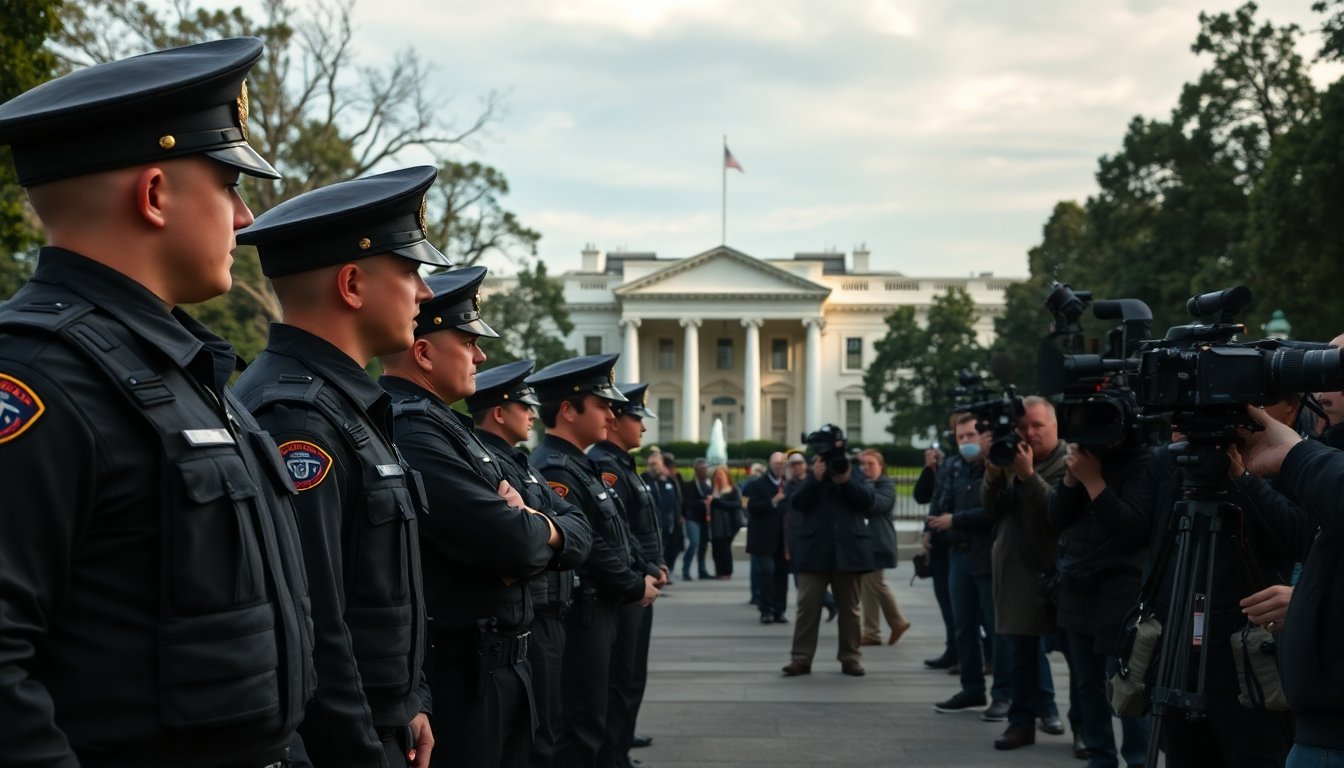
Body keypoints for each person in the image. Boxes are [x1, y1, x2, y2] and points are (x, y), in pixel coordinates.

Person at [0, 37, 316, 768]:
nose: (243, 218)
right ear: (154, 194)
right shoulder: (37, 376)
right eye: (228, 184)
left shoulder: (182, 371)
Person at [234, 166, 452, 767]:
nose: (425, 294)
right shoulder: (298, 418)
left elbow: (379, 590)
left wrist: (410, 698)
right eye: (410, 272)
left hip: (383, 720)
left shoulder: (344, 405)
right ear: (352, 283)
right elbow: (318, 630)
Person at [379, 269, 582, 767]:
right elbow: (515, 544)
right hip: (463, 674)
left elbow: (570, 535)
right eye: (468, 341)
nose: (482, 355)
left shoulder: (451, 429)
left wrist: (543, 530)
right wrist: (537, 535)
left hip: (502, 662)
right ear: (424, 353)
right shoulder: (415, 430)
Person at [526, 355, 659, 768]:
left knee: (599, 713)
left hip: (603, 604)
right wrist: (634, 582)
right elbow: (592, 546)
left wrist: (642, 571)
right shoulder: (555, 468)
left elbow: (615, 532)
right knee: (581, 726)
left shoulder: (580, 464)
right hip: (584, 608)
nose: (611, 414)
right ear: (568, 410)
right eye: (602, 405)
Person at [463, 360, 593, 768]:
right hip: (528, 615)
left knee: (547, 728)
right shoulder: (490, 462)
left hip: (546, 611)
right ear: (500, 413)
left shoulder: (521, 464)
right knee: (536, 740)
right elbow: (518, 545)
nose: (534, 413)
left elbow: (582, 530)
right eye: (525, 405)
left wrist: (536, 522)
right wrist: (548, 530)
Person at [1242, 403, 1344, 768]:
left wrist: (1294, 455)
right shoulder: (1325, 463)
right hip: (1314, 732)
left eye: (1337, 367)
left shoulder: (1319, 466)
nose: (1321, 389)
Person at [982, 397, 1069, 750]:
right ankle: (1020, 724)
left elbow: (1056, 514)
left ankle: (1085, 729)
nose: (1029, 434)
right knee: (1020, 658)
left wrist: (1028, 476)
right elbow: (991, 509)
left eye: (1037, 426)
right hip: (1017, 574)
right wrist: (993, 472)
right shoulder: (1008, 458)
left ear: (1055, 426)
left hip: (1062, 575)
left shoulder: (1073, 462)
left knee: (1080, 662)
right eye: (1022, 428)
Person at [588, 383, 667, 767]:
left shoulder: (622, 464)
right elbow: (615, 534)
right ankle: (614, 752)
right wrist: (643, 571)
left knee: (632, 676)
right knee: (620, 679)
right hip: (626, 586)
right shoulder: (607, 466)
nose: (643, 427)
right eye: (637, 418)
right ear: (616, 421)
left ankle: (620, 744)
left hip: (640, 579)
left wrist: (654, 566)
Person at [930, 414, 1011, 715]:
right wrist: (931, 530)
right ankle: (972, 688)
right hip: (958, 554)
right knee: (962, 626)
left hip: (988, 554)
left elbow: (995, 510)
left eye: (970, 435)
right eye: (960, 437)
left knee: (995, 627)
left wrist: (956, 521)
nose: (965, 441)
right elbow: (940, 501)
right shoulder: (952, 466)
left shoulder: (999, 464)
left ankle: (1003, 693)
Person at [782, 445, 878, 677]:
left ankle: (850, 657)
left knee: (850, 609)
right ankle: (801, 658)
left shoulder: (852, 471)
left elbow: (867, 501)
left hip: (848, 551)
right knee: (807, 606)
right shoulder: (811, 474)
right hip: (814, 550)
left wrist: (846, 480)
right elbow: (798, 503)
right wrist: (814, 479)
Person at [857, 449, 912, 646]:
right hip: (866, 543)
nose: (866, 467)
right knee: (875, 585)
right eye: (863, 464)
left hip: (878, 542)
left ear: (881, 466)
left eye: (871, 463)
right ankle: (898, 622)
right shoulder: (863, 484)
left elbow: (876, 505)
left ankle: (872, 632)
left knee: (870, 586)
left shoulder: (885, 484)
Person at [914, 438, 958, 670]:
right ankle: (954, 648)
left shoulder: (961, 467)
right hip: (941, 543)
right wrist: (930, 469)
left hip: (960, 542)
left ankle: (975, 652)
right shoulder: (944, 470)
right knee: (946, 601)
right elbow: (924, 497)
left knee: (962, 606)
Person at [745, 452, 792, 624]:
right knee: (767, 574)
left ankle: (780, 610)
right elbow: (752, 507)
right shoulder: (758, 484)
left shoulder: (788, 484)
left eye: (783, 463)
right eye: (777, 463)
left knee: (782, 576)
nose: (780, 466)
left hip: (784, 539)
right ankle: (766, 610)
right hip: (764, 539)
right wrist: (772, 502)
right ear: (770, 465)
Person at [645, 453, 684, 587]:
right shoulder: (643, 480)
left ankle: (666, 573)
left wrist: (679, 516)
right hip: (651, 525)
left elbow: (677, 501)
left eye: (655, 464)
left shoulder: (669, 481)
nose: (653, 467)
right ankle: (656, 577)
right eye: (650, 464)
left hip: (669, 524)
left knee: (671, 550)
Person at [708, 465, 743, 579]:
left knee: (725, 548)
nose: (718, 477)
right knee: (716, 548)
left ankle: (727, 572)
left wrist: (718, 502)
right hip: (715, 524)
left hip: (728, 524)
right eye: (716, 475)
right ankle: (719, 571)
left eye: (721, 474)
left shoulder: (732, 489)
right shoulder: (712, 490)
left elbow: (737, 504)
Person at [682, 458, 715, 579]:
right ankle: (685, 570)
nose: (703, 471)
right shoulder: (689, 485)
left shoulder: (710, 485)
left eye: (705, 469)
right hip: (692, 518)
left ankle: (702, 570)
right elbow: (686, 502)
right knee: (694, 543)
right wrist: (702, 503)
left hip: (705, 519)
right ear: (695, 470)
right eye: (700, 469)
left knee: (703, 545)